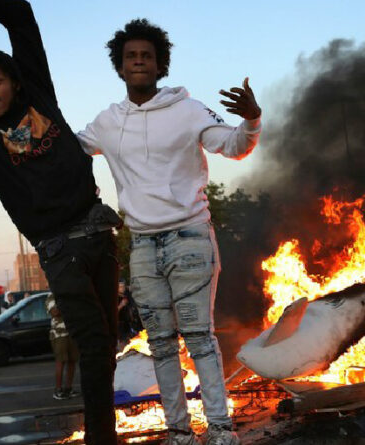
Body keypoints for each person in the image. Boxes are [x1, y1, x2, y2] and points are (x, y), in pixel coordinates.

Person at [0, 1, 121, 443]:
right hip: (61, 251)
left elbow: (20, 14)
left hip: (99, 233)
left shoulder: (39, 96)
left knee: (106, 347)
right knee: (93, 345)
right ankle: (102, 438)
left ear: (16, 83)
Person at [78, 19, 261, 445]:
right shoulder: (107, 121)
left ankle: (219, 430)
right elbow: (68, 151)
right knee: (160, 343)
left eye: (146, 56)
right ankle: (179, 433)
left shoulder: (189, 109)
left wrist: (251, 120)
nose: (138, 62)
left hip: (189, 239)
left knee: (199, 338)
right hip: (141, 246)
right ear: (119, 68)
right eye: (130, 57)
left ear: (160, 65)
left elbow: (234, 146)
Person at [45, 293, 80, 400]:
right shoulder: (52, 296)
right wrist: (69, 307)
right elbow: (55, 312)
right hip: (59, 334)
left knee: (72, 361)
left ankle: (68, 389)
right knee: (61, 361)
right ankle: (58, 390)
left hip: (71, 331)